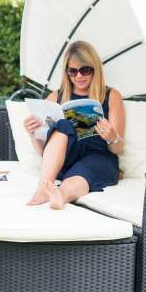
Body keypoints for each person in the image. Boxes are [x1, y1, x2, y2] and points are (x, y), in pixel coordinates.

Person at [23, 41, 125, 210]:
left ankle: (60, 195)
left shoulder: (111, 96)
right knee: (63, 125)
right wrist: (32, 134)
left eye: (85, 70)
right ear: (66, 72)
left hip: (98, 157)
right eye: (72, 71)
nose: (79, 76)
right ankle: (43, 188)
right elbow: (44, 153)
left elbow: (117, 149)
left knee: (84, 170)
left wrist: (112, 137)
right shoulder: (55, 97)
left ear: (95, 69)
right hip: (67, 158)